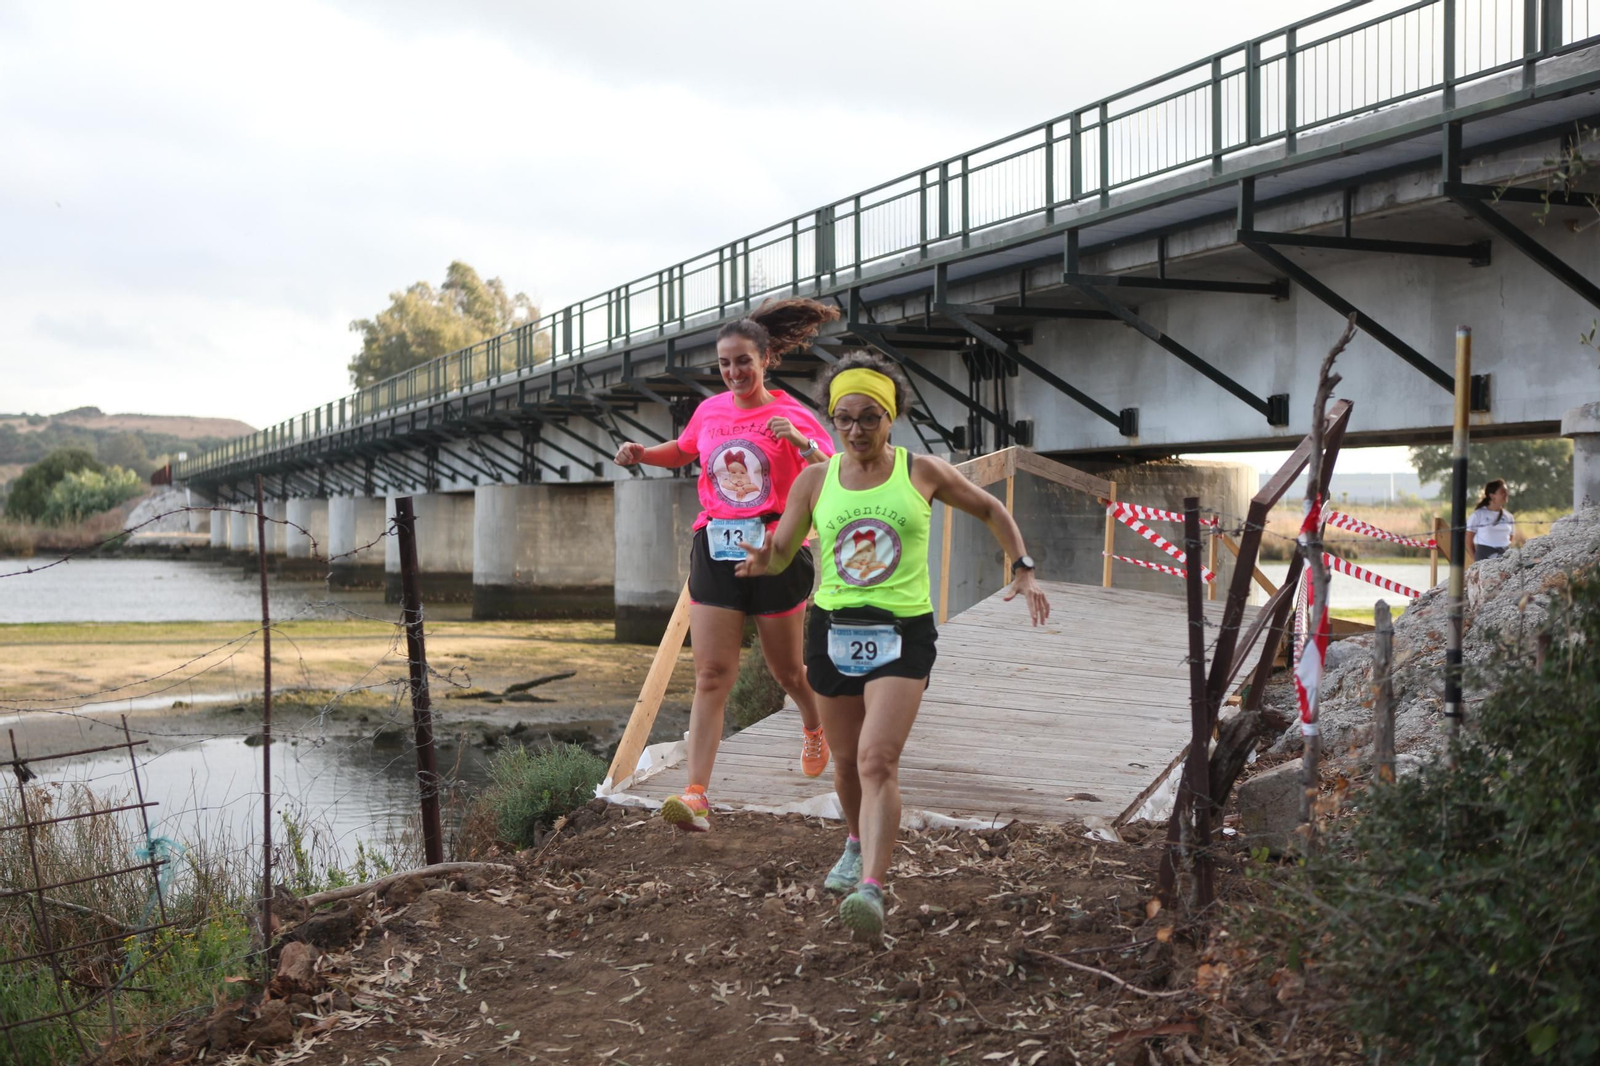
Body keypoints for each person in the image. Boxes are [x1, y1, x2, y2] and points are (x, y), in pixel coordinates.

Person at [735, 351, 1050, 939]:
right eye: (845, 419)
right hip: (832, 629)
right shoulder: (814, 480)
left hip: (902, 632)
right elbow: (782, 549)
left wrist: (1022, 564)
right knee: (848, 762)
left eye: (870, 418)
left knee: (879, 758)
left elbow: (989, 506)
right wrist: (764, 560)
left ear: (892, 417)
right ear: (833, 420)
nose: (856, 430)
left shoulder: (922, 472)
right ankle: (855, 841)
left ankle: (872, 890)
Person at [613, 298, 840, 833]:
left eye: (743, 361)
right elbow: (685, 449)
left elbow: (834, 471)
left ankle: (813, 722)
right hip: (715, 548)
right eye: (724, 364)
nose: (734, 372)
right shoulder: (710, 411)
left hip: (779, 548)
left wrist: (802, 443)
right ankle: (696, 794)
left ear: (765, 361)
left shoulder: (793, 414)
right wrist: (644, 454)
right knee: (713, 675)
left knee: (787, 671)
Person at [1465, 478, 1515, 563]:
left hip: (1505, 558)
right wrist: (1476, 560)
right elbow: (1468, 541)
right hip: (1484, 558)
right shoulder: (1478, 515)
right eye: (1503, 492)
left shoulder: (1509, 516)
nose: (1506, 494)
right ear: (1492, 496)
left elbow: (1510, 537)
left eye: (1507, 492)